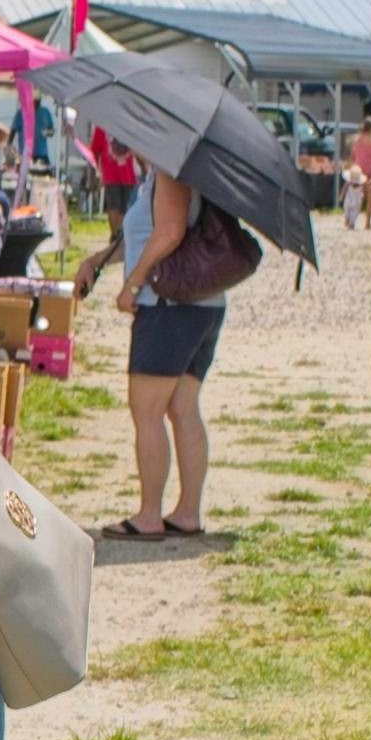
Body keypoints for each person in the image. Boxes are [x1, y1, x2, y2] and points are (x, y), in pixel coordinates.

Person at [78, 159, 222, 540]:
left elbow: (169, 233)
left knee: (147, 410)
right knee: (183, 408)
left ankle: (149, 515)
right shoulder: (184, 171)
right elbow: (149, 235)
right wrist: (98, 260)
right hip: (203, 304)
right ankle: (187, 512)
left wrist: (133, 284)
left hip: (167, 305)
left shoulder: (171, 172)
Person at [345, 115, 371, 231]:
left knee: (354, 198)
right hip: (370, 172)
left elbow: (352, 157)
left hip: (358, 172)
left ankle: (350, 221)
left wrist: (349, 169)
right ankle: (367, 223)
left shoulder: (356, 140)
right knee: (370, 198)